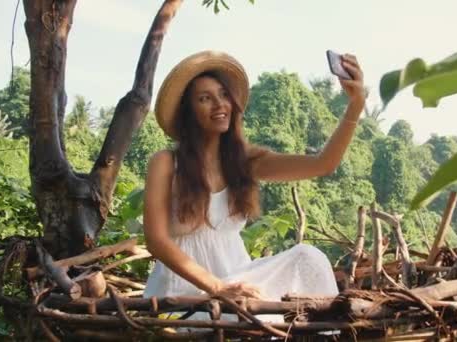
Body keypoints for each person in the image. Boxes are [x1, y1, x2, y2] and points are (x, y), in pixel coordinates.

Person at [143, 50, 365, 303]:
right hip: (186, 294)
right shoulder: (166, 162)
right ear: (188, 111)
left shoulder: (245, 161)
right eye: (205, 98)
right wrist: (216, 287)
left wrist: (355, 105)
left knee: (308, 256)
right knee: (240, 308)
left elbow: (323, 164)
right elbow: (156, 240)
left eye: (224, 95)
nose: (219, 105)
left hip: (237, 284)